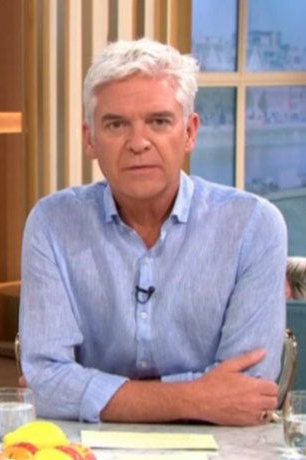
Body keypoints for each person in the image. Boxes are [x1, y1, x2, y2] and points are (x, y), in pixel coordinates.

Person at [19, 38, 287, 427]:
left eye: (159, 122)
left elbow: (249, 388)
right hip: (89, 448)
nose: (138, 143)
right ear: (90, 139)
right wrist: (198, 396)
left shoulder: (254, 224)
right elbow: (44, 384)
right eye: (116, 125)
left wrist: (90, 391)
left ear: (190, 132)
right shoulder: (51, 223)